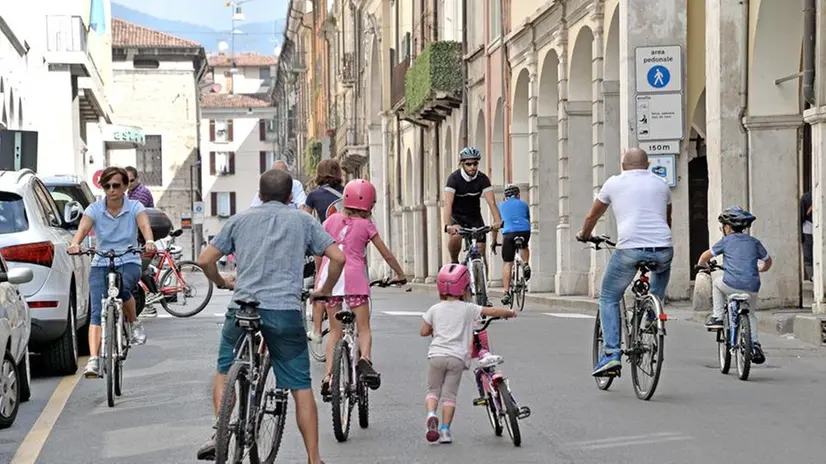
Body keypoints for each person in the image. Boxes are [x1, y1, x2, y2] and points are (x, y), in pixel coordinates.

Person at [195, 168, 344, 464]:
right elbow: (338, 257)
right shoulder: (303, 220)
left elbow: (204, 260)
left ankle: (221, 431)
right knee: (300, 385)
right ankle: (314, 459)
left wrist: (222, 282)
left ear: (259, 195)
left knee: (225, 368)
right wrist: (323, 289)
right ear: (290, 196)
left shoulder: (239, 220)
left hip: (243, 307)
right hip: (284, 310)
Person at [576, 148, 673, 376]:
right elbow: (667, 219)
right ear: (647, 164)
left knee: (609, 296)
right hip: (663, 247)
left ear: (622, 165)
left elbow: (593, 215)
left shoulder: (613, 183)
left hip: (630, 247)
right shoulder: (661, 184)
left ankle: (611, 354)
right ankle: (653, 312)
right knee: (660, 273)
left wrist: (585, 234)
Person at [312, 179, 407, 399]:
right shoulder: (367, 225)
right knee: (363, 328)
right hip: (355, 281)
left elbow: (319, 253)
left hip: (330, 280)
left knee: (335, 332)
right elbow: (386, 253)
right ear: (370, 205)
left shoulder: (330, 220)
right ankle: (365, 360)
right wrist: (400, 274)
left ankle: (328, 377)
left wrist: (320, 276)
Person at [67, 167, 156, 377]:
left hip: (129, 259)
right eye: (106, 186)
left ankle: (134, 323)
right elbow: (81, 230)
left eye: (116, 185)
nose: (111, 190)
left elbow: (144, 225)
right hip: (101, 260)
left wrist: (150, 241)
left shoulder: (135, 206)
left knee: (123, 287)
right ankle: (94, 359)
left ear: (125, 186)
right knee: (97, 310)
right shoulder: (94, 209)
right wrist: (74, 244)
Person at [421, 263, 516, 444]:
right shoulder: (468, 308)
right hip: (456, 358)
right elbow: (492, 311)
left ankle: (431, 414)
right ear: (465, 288)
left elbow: (423, 331)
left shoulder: (434, 309)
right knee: (449, 396)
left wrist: (435, 329)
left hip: (436, 356)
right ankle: (445, 431)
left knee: (433, 391)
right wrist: (509, 313)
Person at [697, 206, 770, 364]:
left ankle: (717, 316)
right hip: (752, 286)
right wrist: (762, 268)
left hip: (731, 284)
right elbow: (767, 261)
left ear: (728, 228)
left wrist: (702, 266)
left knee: (717, 284)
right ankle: (755, 345)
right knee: (750, 314)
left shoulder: (725, 241)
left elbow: (705, 256)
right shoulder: (754, 242)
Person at [443, 147, 502, 279]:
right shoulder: (454, 179)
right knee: (455, 236)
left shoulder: (482, 179)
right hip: (457, 217)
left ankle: (483, 291)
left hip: (474, 217)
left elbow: (491, 202)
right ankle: (454, 260)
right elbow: (448, 204)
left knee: (480, 251)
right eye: (468, 164)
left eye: (475, 163)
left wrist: (497, 221)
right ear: (462, 164)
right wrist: (447, 225)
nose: (472, 167)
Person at [494, 184, 532, 306]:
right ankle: (525, 264)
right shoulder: (524, 204)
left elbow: (496, 225)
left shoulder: (501, 206)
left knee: (507, 263)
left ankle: (506, 292)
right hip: (524, 231)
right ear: (518, 195)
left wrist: (494, 241)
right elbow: (527, 217)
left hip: (509, 234)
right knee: (524, 246)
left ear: (505, 196)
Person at [801, 191, 813, 281]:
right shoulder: (807, 197)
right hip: (808, 229)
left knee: (808, 256)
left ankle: (812, 276)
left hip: (807, 229)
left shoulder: (806, 197)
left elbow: (801, 216)